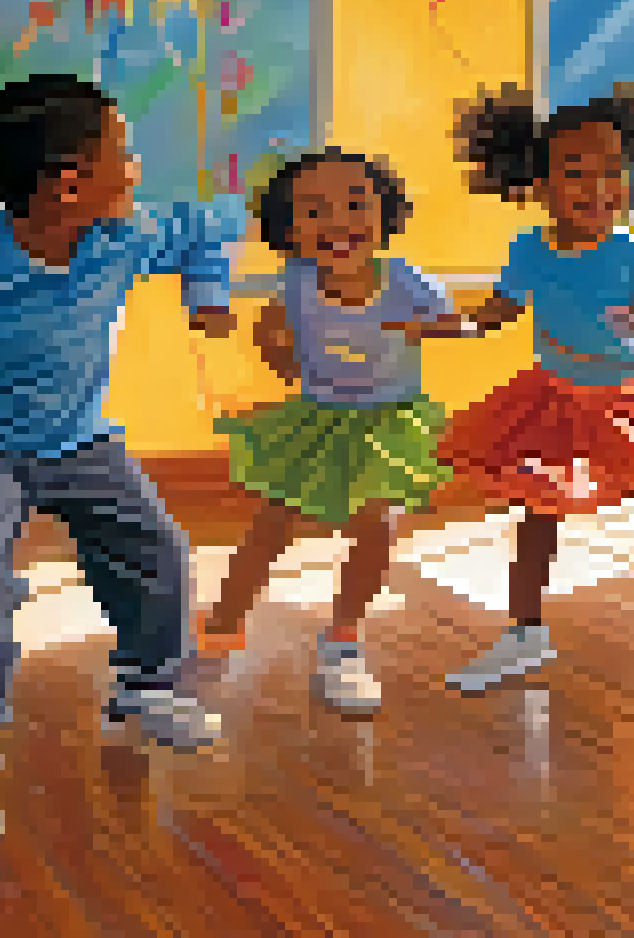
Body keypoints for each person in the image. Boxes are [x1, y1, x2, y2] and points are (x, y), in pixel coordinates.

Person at [0, 74, 244, 850]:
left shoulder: (122, 236)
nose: (136, 166)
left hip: (84, 442)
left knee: (157, 550)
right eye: (123, 152)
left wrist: (206, 295)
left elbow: (205, 232)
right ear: (67, 184)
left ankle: (147, 684)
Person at [431, 86, 634, 693]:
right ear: (539, 183)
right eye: (576, 172)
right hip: (553, 396)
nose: (597, 187)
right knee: (536, 509)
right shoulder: (529, 251)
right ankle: (524, 634)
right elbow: (498, 310)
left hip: (628, 395)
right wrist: (454, 323)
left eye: (612, 171)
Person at [197, 149, 460, 714]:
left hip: (389, 421)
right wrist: (280, 358)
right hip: (317, 417)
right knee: (271, 524)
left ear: (384, 213)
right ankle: (219, 632)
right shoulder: (296, 281)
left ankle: (343, 640)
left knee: (378, 524)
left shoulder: (404, 278)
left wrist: (424, 326)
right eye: (314, 211)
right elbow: (269, 328)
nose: (339, 221)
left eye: (355, 205)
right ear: (288, 230)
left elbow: (454, 323)